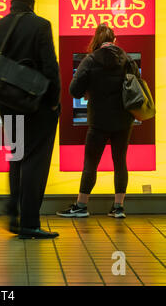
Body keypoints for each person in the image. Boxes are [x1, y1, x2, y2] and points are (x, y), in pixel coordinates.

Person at [0, 0, 61, 239]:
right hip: (36, 104)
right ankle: (29, 222)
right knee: (34, 161)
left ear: (12, 3)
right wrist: (53, 101)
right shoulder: (40, 25)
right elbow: (51, 67)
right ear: (32, 3)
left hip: (8, 104)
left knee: (18, 156)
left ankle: (15, 211)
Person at [57, 24, 138, 219]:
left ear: (96, 40)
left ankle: (81, 205)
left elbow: (74, 90)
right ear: (114, 40)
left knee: (91, 163)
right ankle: (118, 207)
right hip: (123, 119)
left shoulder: (90, 60)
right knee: (120, 162)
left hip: (99, 121)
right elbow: (136, 83)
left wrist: (90, 88)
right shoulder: (127, 59)